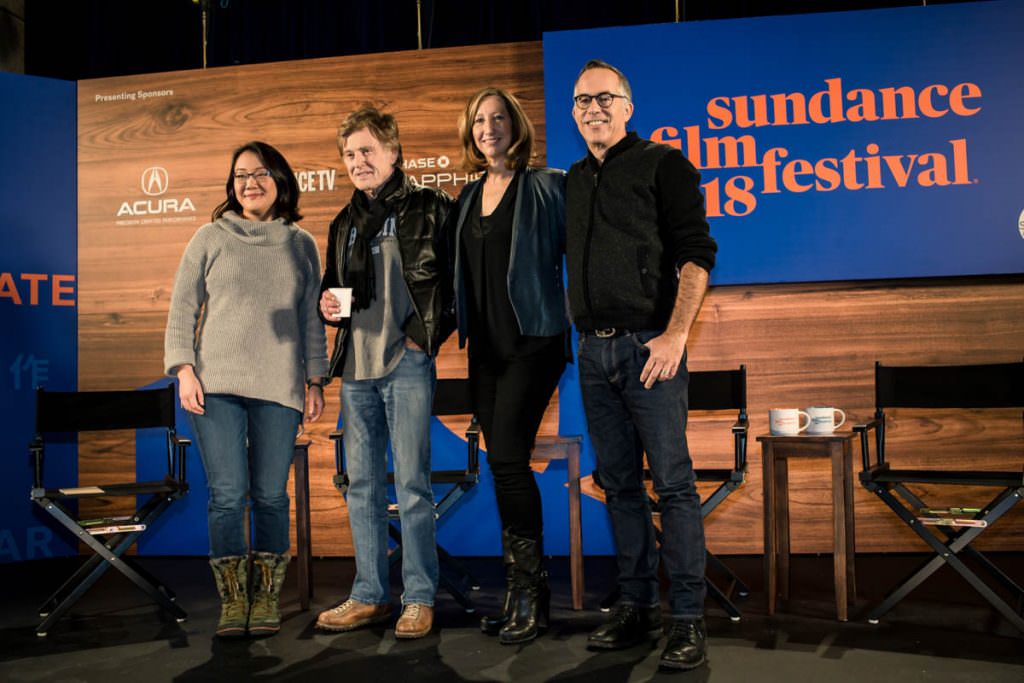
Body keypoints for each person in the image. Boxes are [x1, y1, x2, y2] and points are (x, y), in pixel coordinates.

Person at [565, 60, 717, 670]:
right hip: (591, 352)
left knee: (674, 487)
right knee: (619, 485)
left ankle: (686, 618)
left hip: (649, 349)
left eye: (605, 97)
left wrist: (675, 334)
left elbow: (697, 254)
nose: (593, 108)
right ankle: (636, 608)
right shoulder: (573, 180)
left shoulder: (664, 165)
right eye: (582, 100)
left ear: (628, 106)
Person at [164, 141, 328, 638]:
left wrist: (315, 378)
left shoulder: (301, 244)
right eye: (240, 175)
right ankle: (235, 602)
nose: (249, 182)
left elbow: (311, 321)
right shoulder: (208, 237)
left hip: (279, 387)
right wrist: (184, 369)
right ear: (230, 185)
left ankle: (267, 598)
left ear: (280, 179)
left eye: (260, 173)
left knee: (271, 497)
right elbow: (181, 308)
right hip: (215, 386)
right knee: (228, 496)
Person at [315, 106, 455, 640]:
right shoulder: (343, 222)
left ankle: (418, 597)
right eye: (349, 154)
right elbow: (336, 294)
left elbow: (453, 286)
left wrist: (426, 338)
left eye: (367, 151)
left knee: (414, 485)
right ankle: (370, 595)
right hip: (355, 369)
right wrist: (329, 308)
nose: (358, 162)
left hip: (408, 363)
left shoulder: (431, 206)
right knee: (363, 486)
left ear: (394, 152)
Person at [451, 87, 569, 644]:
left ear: (516, 125)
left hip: (535, 342)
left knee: (506, 457)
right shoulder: (468, 197)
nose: (489, 127)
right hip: (487, 350)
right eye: (480, 119)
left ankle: (529, 592)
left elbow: (586, 252)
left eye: (499, 118)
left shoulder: (547, 185)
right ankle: (525, 594)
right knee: (504, 465)